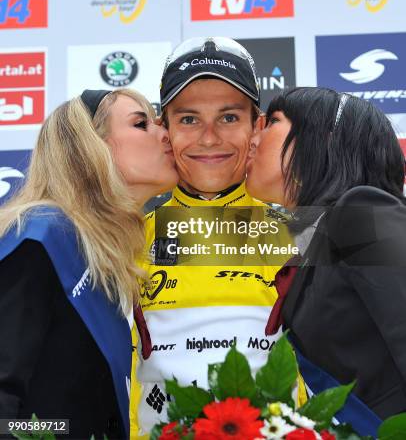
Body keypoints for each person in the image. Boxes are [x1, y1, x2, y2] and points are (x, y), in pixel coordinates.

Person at [130, 37, 303, 438]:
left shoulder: (300, 234)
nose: (209, 138)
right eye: (189, 119)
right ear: (164, 128)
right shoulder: (124, 240)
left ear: (257, 126)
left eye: (228, 117)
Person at [0, 88, 178, 439]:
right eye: (142, 123)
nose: (166, 134)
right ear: (90, 145)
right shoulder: (40, 237)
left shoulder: (111, 257)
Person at [246, 86, 406, 436]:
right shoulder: (309, 236)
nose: (252, 140)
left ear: (325, 139)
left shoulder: (362, 210)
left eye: (272, 122)